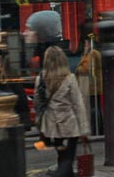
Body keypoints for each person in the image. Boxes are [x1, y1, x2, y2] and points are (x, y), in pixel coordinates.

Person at [34, 46, 90, 177]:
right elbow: (78, 104)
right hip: (69, 126)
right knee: (68, 158)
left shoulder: (41, 78)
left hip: (52, 126)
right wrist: (84, 130)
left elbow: (38, 103)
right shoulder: (69, 78)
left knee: (62, 155)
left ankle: (64, 173)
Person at [76, 35, 104, 135]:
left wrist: (79, 69)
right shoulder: (89, 54)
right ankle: (96, 128)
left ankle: (96, 129)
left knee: (94, 108)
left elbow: (88, 68)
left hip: (92, 85)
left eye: (86, 43)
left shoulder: (92, 53)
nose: (85, 45)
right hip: (90, 85)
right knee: (94, 107)